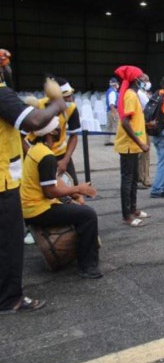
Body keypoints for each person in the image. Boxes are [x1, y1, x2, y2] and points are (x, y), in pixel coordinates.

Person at [0, 49, 66, 314]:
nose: (10, 68)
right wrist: (57, 103)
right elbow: (35, 121)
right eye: (7, 63)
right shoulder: (2, 94)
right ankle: (10, 299)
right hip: (3, 183)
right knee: (9, 244)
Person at [21, 118, 101, 279]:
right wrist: (78, 188)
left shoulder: (37, 149)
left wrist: (74, 194)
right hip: (38, 210)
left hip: (32, 206)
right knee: (88, 215)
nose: (61, 130)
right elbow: (50, 192)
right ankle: (87, 266)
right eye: (58, 127)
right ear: (50, 132)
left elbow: (54, 182)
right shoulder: (46, 156)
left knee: (79, 209)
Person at [24, 76, 81, 185]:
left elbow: (74, 136)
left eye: (70, 96)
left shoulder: (72, 108)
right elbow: (21, 137)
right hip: (38, 155)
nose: (69, 100)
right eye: (66, 97)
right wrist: (34, 157)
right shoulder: (37, 106)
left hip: (61, 155)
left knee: (72, 189)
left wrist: (66, 160)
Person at [113, 65, 151, 227]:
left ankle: (133, 209)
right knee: (127, 179)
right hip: (129, 145)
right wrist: (140, 143)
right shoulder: (130, 95)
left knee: (134, 178)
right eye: (142, 77)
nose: (145, 80)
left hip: (134, 145)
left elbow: (134, 120)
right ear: (135, 80)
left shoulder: (134, 94)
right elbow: (126, 122)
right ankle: (126, 215)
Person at [136, 73, 152, 189]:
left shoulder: (138, 93)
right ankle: (145, 178)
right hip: (144, 125)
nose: (147, 82)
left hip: (139, 126)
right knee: (145, 154)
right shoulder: (140, 94)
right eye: (145, 80)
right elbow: (149, 107)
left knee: (139, 154)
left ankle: (139, 176)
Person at [104, 77, 120, 146]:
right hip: (113, 110)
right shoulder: (113, 92)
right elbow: (111, 103)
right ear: (115, 84)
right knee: (115, 125)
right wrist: (114, 113)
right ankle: (114, 141)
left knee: (109, 126)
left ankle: (107, 140)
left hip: (109, 111)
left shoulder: (109, 91)